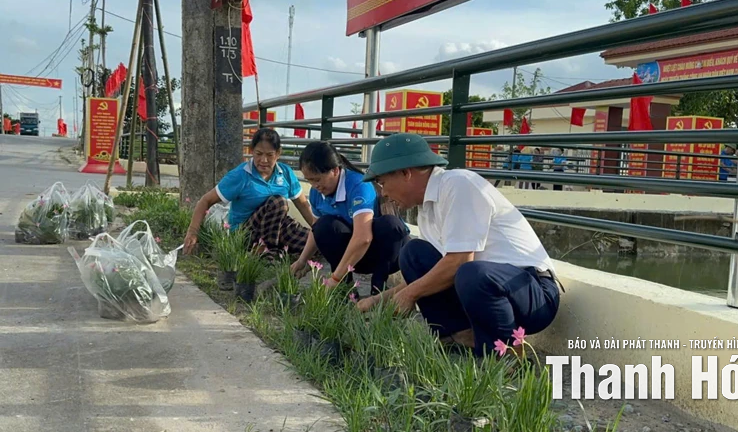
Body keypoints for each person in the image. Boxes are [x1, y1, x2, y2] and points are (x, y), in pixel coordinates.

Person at [356, 133, 562, 357]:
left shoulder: (458, 184)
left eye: (383, 183)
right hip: (485, 285)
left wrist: (409, 295)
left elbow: (460, 262)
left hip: (531, 292)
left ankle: (509, 356)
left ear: (406, 173)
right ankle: (461, 341)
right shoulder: (426, 210)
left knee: (469, 272)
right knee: (413, 254)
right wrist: (378, 300)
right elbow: (434, 274)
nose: (384, 193)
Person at [293, 141, 410, 295]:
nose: (314, 185)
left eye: (317, 179)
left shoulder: (358, 185)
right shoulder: (317, 193)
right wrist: (302, 260)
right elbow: (315, 230)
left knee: (389, 224)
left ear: (335, 170)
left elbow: (364, 238)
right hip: (354, 258)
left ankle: (378, 289)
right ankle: (345, 290)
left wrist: (334, 278)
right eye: (309, 180)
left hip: (388, 254)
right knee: (323, 226)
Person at [182, 128, 316, 258]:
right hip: (247, 233)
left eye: (269, 155)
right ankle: (267, 254)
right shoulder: (240, 175)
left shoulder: (285, 173)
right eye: (259, 154)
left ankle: (276, 248)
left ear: (278, 153)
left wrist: (317, 229)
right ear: (252, 151)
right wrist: (192, 231)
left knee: (317, 244)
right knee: (278, 202)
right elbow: (206, 200)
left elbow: (303, 205)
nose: (264, 160)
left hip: (277, 228)